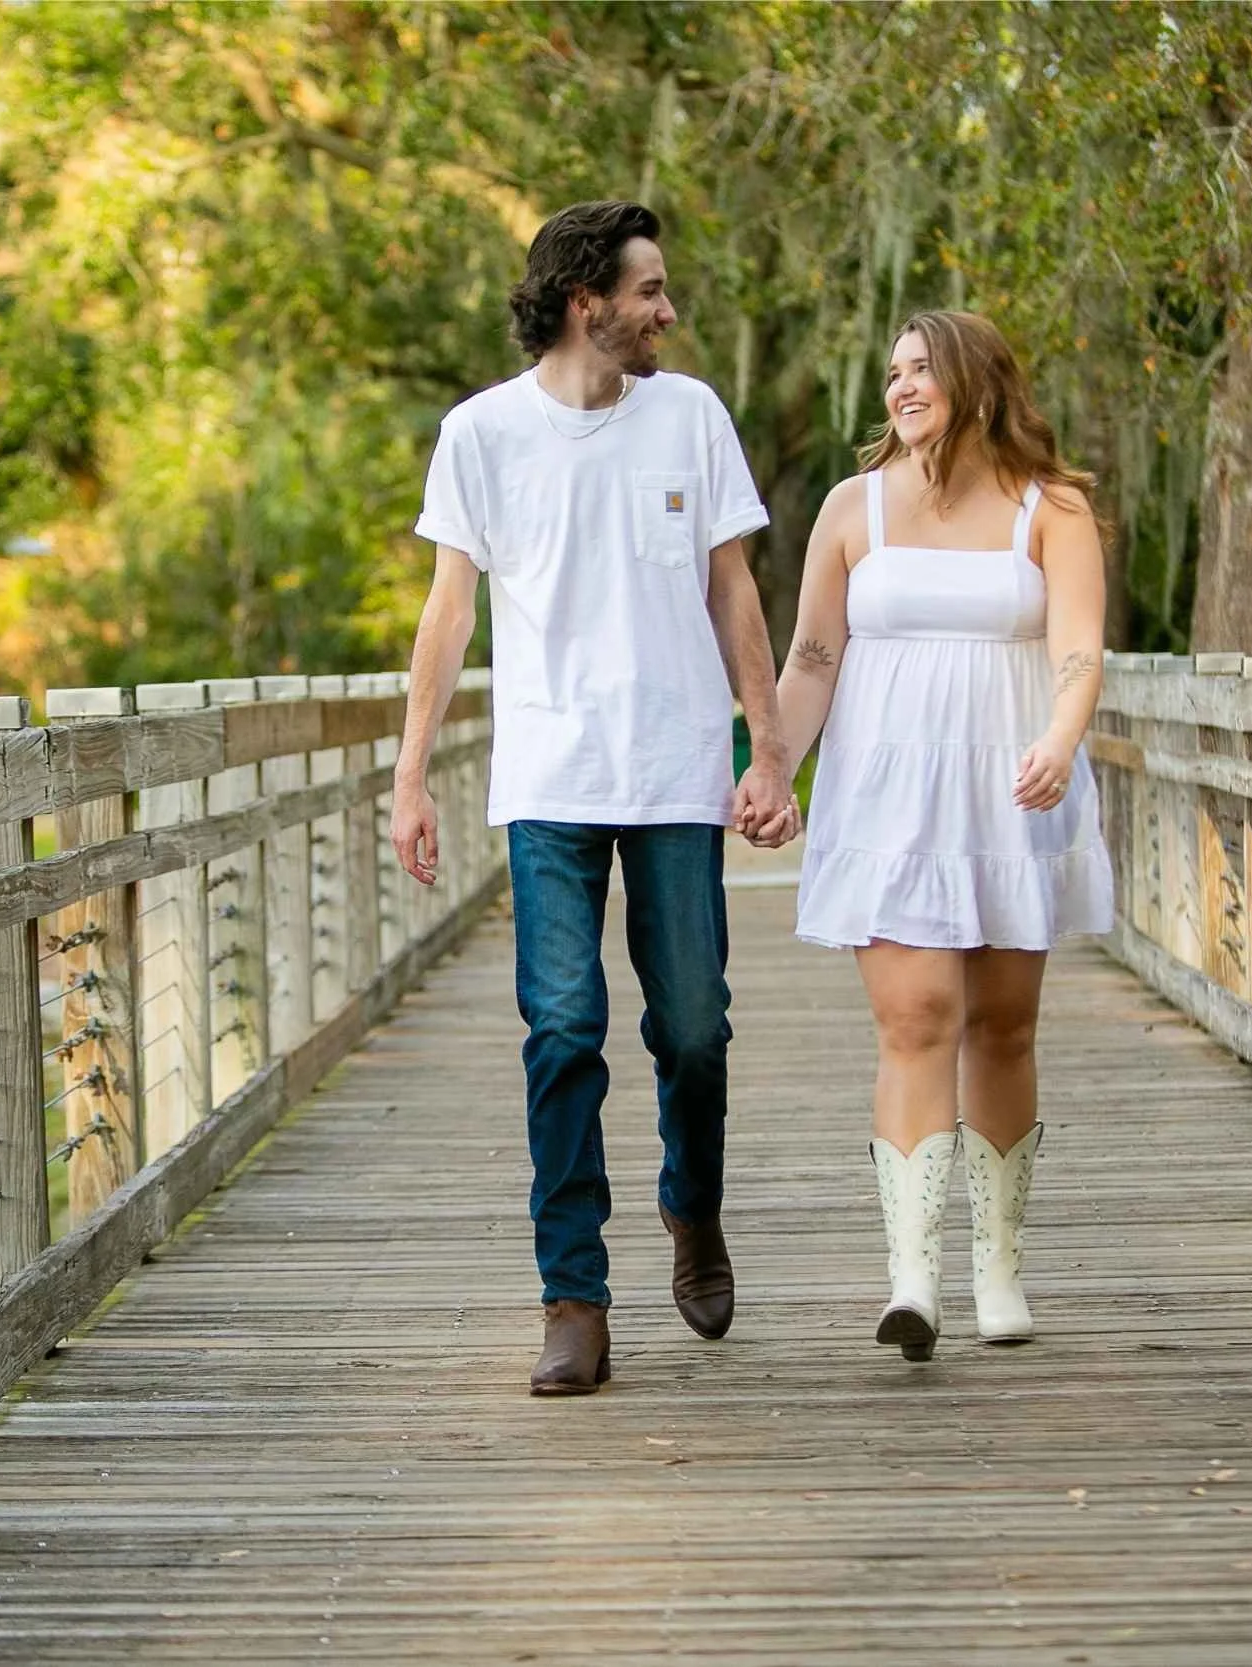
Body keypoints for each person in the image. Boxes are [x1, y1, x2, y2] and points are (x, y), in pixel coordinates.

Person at [388, 200, 793, 1396]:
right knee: (562, 1031)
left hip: (674, 772)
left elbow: (734, 594)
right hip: (550, 779)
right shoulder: (480, 436)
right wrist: (408, 774)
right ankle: (573, 1295)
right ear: (586, 302)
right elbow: (447, 612)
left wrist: (766, 752)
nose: (668, 310)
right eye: (651, 290)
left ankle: (693, 1207)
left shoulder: (692, 416)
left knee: (695, 1030)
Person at [759, 309, 1112, 1363]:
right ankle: (911, 1275)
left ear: (975, 378)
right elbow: (814, 657)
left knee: (1001, 1024)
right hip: (887, 794)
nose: (900, 387)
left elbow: (1080, 649)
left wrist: (1059, 737)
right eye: (892, 372)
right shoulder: (849, 508)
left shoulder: (1052, 508)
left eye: (920, 369)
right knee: (916, 1014)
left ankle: (997, 1264)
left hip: (1011, 790)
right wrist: (772, 763)